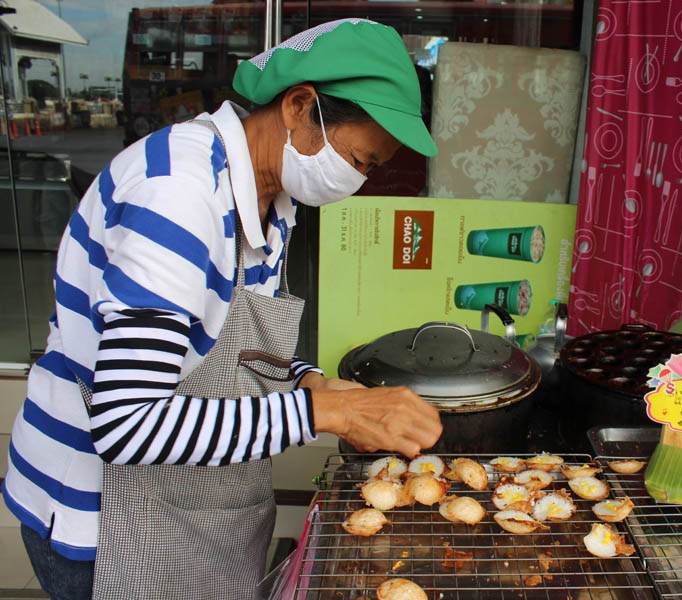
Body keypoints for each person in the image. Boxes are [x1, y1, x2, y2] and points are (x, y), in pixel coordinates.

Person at [2, 18, 442, 599]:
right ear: (299, 106)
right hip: (103, 517)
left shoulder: (270, 197)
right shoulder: (179, 195)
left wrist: (317, 383)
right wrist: (323, 416)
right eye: (361, 161)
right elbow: (126, 423)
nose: (358, 181)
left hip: (189, 503)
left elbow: (232, 351)